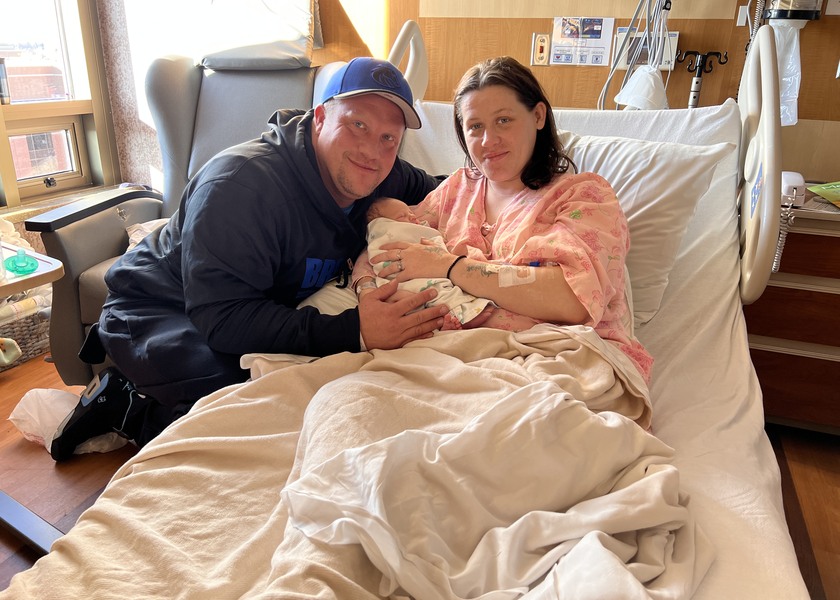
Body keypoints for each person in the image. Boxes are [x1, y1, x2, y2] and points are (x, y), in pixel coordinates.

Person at [50, 57, 449, 461]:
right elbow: (224, 319)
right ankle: (126, 404)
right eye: (357, 125)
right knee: (254, 399)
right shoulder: (240, 186)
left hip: (251, 303)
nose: (372, 150)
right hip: (159, 309)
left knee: (325, 384)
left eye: (388, 138)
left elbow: (452, 190)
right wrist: (356, 330)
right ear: (321, 117)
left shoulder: (382, 170)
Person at [361, 56, 654, 382]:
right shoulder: (456, 191)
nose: (488, 141)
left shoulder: (584, 197)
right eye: (475, 126)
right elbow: (387, 238)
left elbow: (574, 299)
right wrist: (365, 292)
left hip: (559, 361)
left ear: (538, 116)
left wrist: (449, 267)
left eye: (503, 120)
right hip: (451, 359)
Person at [356, 197, 494, 329]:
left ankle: (447, 321)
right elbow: (374, 255)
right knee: (434, 291)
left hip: (429, 272)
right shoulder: (385, 236)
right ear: (384, 225)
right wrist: (366, 289)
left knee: (439, 290)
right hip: (399, 282)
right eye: (402, 216)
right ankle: (462, 315)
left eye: (411, 213)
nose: (413, 217)